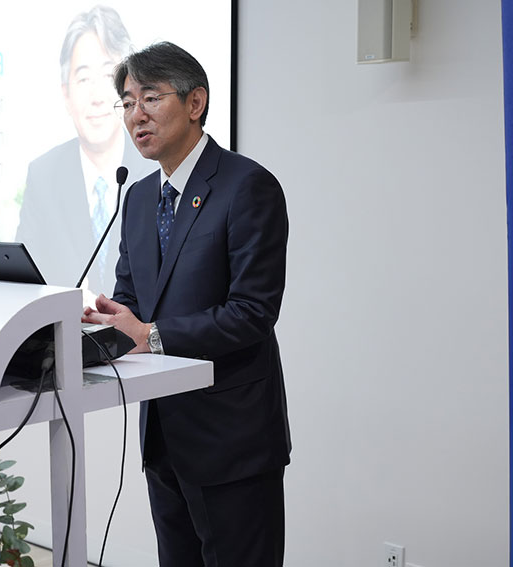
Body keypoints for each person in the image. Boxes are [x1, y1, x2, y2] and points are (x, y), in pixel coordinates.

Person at [82, 42, 291, 567]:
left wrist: (150, 335)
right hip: (163, 435)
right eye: (127, 102)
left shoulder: (248, 186)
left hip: (231, 440)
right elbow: (131, 299)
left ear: (195, 102)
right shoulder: (138, 198)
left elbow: (252, 312)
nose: (136, 115)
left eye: (151, 98)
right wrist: (99, 326)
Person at [15, 5, 155, 294]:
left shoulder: (156, 168)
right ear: (66, 94)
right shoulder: (43, 174)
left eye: (108, 77)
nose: (97, 97)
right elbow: (23, 279)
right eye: (83, 79)